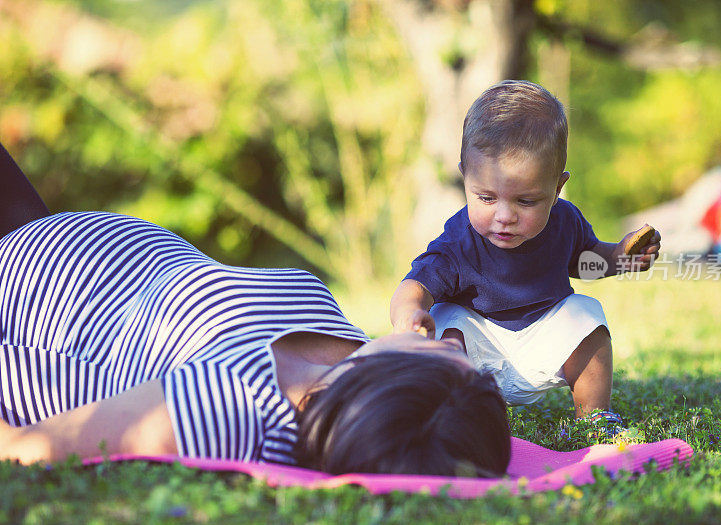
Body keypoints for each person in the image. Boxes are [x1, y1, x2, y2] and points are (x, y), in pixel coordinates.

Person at [0, 141, 510, 477]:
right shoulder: (347, 349)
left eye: (446, 354)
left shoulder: (228, 409)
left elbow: (25, 450)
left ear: (385, 383)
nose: (445, 336)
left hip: (19, 297)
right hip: (47, 239)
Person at [390, 80, 660, 422]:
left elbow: (584, 262)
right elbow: (417, 284)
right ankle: (455, 419)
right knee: (446, 324)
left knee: (587, 316)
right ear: (465, 179)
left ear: (558, 187)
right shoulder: (460, 239)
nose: (505, 217)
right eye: (486, 198)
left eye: (526, 201)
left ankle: (593, 420)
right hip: (475, 351)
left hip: (540, 340)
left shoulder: (565, 221)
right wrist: (409, 314)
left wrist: (620, 258)